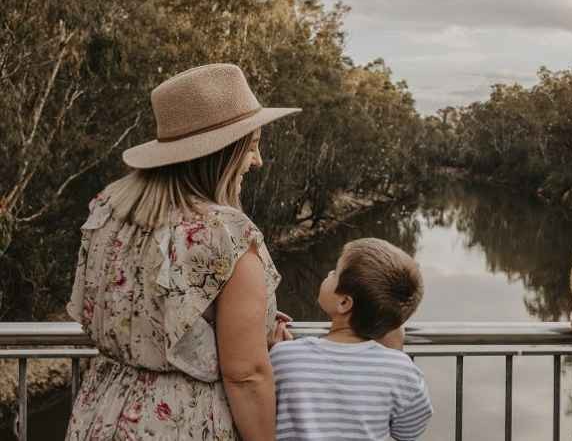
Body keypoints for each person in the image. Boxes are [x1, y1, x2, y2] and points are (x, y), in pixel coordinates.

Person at [66, 63, 300, 440]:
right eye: (253, 145)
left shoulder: (109, 212)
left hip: (101, 414)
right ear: (222, 153)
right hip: (182, 423)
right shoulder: (225, 233)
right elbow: (245, 375)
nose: (257, 160)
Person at [270, 238, 432, 441]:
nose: (329, 273)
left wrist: (274, 353)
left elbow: (262, 408)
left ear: (344, 302)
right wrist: (395, 354)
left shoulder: (285, 356)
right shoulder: (402, 371)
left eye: (335, 273)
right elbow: (408, 432)